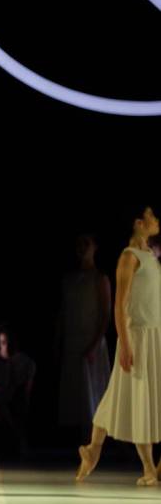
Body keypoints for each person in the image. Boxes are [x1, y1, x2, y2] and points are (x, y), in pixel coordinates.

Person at [76, 206, 160, 486]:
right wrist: (124, 343)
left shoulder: (150, 256)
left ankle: (91, 450)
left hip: (154, 335)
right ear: (139, 223)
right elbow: (120, 303)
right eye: (152, 216)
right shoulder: (129, 257)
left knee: (118, 397)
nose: (156, 221)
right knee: (139, 399)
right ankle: (148, 467)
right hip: (137, 337)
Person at [56, 235, 111, 442]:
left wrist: (94, 345)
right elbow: (63, 312)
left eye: (86, 244)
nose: (82, 248)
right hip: (73, 341)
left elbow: (105, 315)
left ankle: (103, 444)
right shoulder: (69, 279)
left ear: (95, 247)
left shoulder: (100, 278)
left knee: (95, 394)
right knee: (77, 396)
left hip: (92, 342)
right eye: (79, 244)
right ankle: (82, 443)